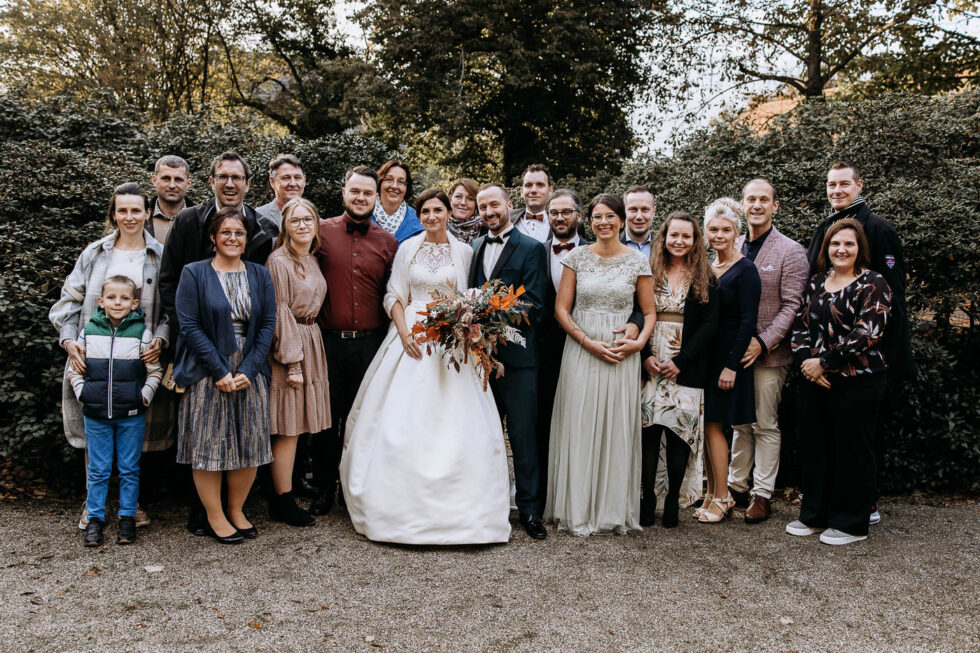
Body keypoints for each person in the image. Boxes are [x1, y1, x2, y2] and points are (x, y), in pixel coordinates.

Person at [340, 189, 511, 544]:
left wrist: (465, 329)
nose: (432, 216)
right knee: (400, 417)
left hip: (452, 342)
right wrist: (403, 334)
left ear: (449, 213)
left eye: (438, 210)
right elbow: (394, 295)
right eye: (425, 211)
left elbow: (470, 296)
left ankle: (465, 511)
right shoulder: (408, 248)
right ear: (419, 216)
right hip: (412, 336)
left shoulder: (464, 252)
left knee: (457, 420)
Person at [158, 150, 277, 536]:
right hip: (206, 359)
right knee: (207, 440)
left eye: (238, 233)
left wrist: (249, 367)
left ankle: (237, 511)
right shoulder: (193, 261)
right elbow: (187, 318)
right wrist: (215, 367)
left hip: (249, 365)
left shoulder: (260, 270)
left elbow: (267, 323)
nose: (232, 237)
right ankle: (211, 515)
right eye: (225, 232)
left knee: (249, 440)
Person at [49, 183, 169, 532]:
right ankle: (94, 505)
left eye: (136, 210)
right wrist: (70, 341)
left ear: (148, 213)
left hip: (138, 359)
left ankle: (132, 506)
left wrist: (161, 339)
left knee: (135, 430)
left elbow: (172, 309)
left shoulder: (161, 255)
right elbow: (66, 304)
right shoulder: (94, 254)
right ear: (113, 214)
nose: (129, 217)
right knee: (96, 432)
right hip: (95, 357)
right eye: (123, 210)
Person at [806, 161, 914, 525]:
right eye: (831, 184)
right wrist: (814, 358)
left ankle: (864, 504)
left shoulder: (878, 229)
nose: (836, 190)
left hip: (867, 358)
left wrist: (887, 354)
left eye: (844, 184)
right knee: (829, 438)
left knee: (861, 438)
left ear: (859, 186)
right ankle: (830, 504)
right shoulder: (825, 228)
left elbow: (893, 298)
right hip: (823, 360)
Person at [546, 193, 656, 536]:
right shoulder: (577, 258)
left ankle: (610, 509)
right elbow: (561, 310)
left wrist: (638, 342)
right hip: (581, 348)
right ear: (588, 221)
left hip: (622, 353)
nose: (603, 222)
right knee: (580, 422)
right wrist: (587, 342)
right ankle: (576, 508)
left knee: (615, 426)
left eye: (610, 216)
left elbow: (649, 312)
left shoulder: (637, 261)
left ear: (621, 220)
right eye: (597, 217)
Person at [787, 218, 891, 546]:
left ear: (860, 248)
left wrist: (825, 363)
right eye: (835, 244)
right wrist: (807, 364)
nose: (841, 249)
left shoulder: (873, 282)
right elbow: (801, 325)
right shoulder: (817, 281)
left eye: (848, 244)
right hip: (813, 379)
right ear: (826, 248)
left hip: (857, 379)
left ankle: (851, 524)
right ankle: (815, 515)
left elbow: (868, 331)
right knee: (815, 448)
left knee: (852, 450)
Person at [311, 166, 398, 516]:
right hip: (327, 342)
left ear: (376, 197)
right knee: (325, 421)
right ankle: (321, 490)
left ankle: (355, 490)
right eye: (355, 191)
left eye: (367, 192)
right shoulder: (319, 234)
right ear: (343, 192)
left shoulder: (389, 243)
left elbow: (394, 295)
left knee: (363, 419)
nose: (361, 197)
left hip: (371, 344)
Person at [469, 183, 549, 540]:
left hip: (519, 361)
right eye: (482, 207)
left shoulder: (531, 248)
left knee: (523, 436)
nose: (489, 211)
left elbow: (533, 302)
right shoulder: (474, 247)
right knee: (482, 435)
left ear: (508, 205)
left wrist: (490, 316)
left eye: (494, 204)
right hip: (480, 359)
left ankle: (531, 511)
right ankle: (488, 506)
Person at [728, 179, 808, 524]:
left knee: (764, 423)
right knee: (739, 423)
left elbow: (792, 307)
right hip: (733, 353)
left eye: (764, 199)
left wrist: (762, 342)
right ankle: (734, 486)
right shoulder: (732, 243)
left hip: (768, 355)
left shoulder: (791, 251)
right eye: (751, 199)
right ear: (742, 205)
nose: (757, 205)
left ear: (776, 206)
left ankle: (762, 493)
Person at [67, 275, 163, 546]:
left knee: (129, 468)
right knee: (98, 469)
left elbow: (154, 372)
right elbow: (74, 369)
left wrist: (143, 397)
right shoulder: (88, 332)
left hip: (131, 416)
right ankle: (95, 519)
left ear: (134, 304)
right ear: (101, 301)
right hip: (96, 416)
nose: (117, 303)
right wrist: (83, 393)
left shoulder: (142, 334)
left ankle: (127, 518)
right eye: (111, 297)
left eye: (124, 298)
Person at [640, 211, 718, 528]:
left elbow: (711, 325)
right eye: (674, 235)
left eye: (686, 236)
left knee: (678, 435)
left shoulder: (706, 277)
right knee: (648, 432)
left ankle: (672, 500)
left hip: (686, 365)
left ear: (695, 241)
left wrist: (682, 360)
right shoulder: (649, 271)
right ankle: (647, 499)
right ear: (664, 237)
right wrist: (644, 354)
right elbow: (637, 314)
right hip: (652, 362)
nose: (679, 241)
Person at [265, 198, 330, 527]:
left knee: (301, 427)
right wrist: (291, 363)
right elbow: (279, 313)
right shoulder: (279, 262)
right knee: (288, 430)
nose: (303, 225)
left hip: (311, 339)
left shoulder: (312, 259)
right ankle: (282, 500)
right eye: (295, 221)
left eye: (308, 219)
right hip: (290, 347)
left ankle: (287, 487)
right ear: (285, 227)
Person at [698, 198, 761, 524]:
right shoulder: (709, 267)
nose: (719, 235)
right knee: (708, 426)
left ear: (737, 233)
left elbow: (748, 322)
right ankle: (711, 492)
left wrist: (731, 366)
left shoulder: (746, 269)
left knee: (715, 427)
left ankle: (723, 497)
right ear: (706, 233)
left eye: (726, 229)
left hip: (728, 362)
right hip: (708, 359)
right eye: (713, 230)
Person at [372, 159, 424, 243]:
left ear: (407, 188)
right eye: (389, 180)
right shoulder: (363, 217)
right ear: (380, 183)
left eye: (401, 182)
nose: (395, 186)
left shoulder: (418, 223)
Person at [147, 155, 192, 244]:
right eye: (166, 178)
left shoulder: (202, 220)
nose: (172, 185)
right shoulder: (139, 217)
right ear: (154, 180)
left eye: (178, 179)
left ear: (188, 184)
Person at [257, 154, 306, 230]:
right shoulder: (257, 218)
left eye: (297, 178)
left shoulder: (317, 222)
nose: (293, 184)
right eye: (286, 178)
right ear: (272, 182)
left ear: (304, 181)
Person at [510, 164, 554, 243]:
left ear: (550, 191)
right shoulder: (508, 218)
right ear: (522, 191)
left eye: (540, 185)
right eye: (528, 185)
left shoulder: (560, 221)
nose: (533, 190)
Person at [621, 186, 655, 259]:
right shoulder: (610, 246)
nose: (639, 216)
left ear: (653, 211)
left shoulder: (664, 246)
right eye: (633, 209)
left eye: (645, 209)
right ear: (623, 211)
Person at [447, 178, 482, 243]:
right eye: (458, 196)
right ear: (450, 199)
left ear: (476, 204)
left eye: (470, 199)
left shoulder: (486, 231)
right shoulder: (439, 227)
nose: (463, 203)